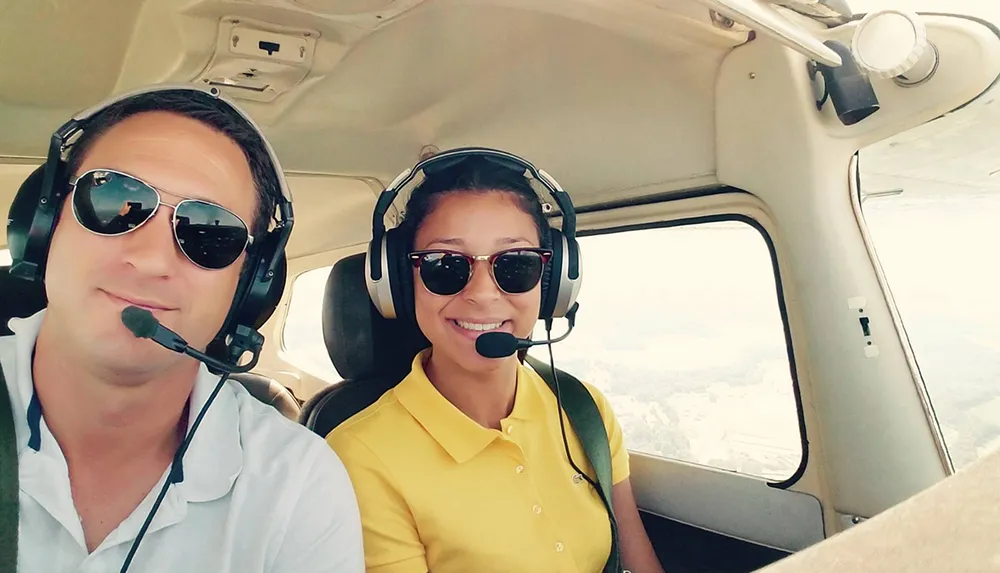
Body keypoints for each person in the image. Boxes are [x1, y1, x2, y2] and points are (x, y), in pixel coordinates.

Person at [0, 85, 364, 572]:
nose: (151, 260)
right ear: (44, 225)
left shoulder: (296, 481)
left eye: (210, 233)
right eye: (113, 200)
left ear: (249, 287)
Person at [326, 148, 665, 572]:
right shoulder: (358, 454)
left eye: (516, 264)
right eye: (445, 265)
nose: (483, 294)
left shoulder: (583, 408)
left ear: (554, 280)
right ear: (398, 281)